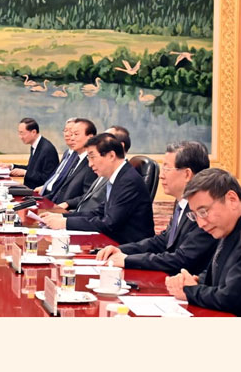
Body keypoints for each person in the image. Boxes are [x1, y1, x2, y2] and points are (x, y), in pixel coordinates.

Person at [98, 142, 216, 274]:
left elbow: (181, 259)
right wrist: (122, 250)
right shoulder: (181, 203)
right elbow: (163, 241)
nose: (161, 175)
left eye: (167, 169)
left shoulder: (203, 212)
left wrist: (128, 260)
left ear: (187, 174)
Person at [40, 133, 154, 245]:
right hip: (113, 241)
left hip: (128, 247)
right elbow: (98, 212)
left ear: (111, 156)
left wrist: (65, 223)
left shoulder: (128, 180)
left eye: (92, 157)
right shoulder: (118, 177)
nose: (90, 164)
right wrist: (62, 217)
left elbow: (109, 223)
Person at [165, 168, 241, 315]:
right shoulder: (228, 227)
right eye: (195, 215)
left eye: (203, 212)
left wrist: (189, 291)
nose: (200, 224)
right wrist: (199, 280)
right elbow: (222, 268)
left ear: (232, 200)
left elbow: (231, 298)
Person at [60, 125, 131, 214]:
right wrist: (65, 216)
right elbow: (89, 198)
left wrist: (66, 220)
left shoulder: (124, 178)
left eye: (104, 140)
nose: (90, 164)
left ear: (120, 146)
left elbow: (106, 217)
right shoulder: (106, 170)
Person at [0, 117, 58, 189]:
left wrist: (25, 173)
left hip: (37, 192)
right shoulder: (35, 145)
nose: (20, 137)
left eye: (22, 133)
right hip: (28, 189)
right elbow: (31, 169)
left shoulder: (47, 149)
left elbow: (48, 178)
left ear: (33, 132)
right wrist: (11, 166)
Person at [49, 118, 97, 205]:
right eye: (71, 134)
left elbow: (89, 196)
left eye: (76, 134)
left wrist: (68, 203)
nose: (71, 138)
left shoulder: (92, 163)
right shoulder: (75, 158)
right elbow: (60, 188)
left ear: (90, 137)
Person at [33, 118, 76, 197]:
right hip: (46, 191)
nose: (67, 134)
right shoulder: (67, 153)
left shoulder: (78, 157)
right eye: (65, 130)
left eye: (71, 131)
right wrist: (45, 186)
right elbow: (56, 176)